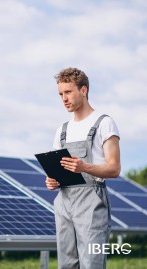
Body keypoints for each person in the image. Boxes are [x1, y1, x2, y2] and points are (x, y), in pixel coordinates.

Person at [45, 67, 120, 269]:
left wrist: (84, 166)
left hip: (92, 202)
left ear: (84, 90)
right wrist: (52, 180)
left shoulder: (105, 123)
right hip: (64, 201)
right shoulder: (62, 130)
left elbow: (114, 169)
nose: (64, 99)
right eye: (61, 94)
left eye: (68, 92)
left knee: (92, 264)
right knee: (66, 265)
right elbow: (57, 170)